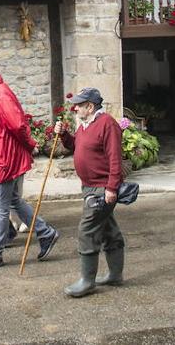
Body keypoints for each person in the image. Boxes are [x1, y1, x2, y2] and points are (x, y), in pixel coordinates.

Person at [0, 58, 59, 270]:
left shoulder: (0, 94)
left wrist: (31, 144)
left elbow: (18, 124)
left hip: (4, 159)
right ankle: (42, 233)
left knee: (0, 205)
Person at [53, 88, 125, 297]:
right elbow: (76, 146)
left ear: (90, 107)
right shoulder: (86, 124)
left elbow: (114, 159)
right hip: (89, 186)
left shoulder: (107, 124)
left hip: (101, 188)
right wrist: (64, 135)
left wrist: (111, 188)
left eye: (79, 105)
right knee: (109, 230)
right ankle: (115, 275)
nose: (75, 108)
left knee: (87, 230)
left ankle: (87, 281)